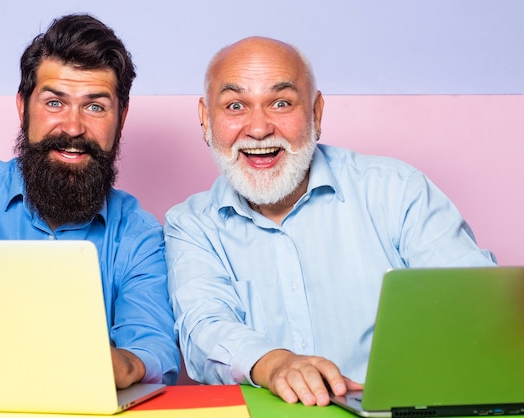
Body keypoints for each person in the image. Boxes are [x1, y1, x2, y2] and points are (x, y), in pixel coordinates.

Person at [164, 36, 496, 406]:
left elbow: (477, 308)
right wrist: (274, 364)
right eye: (236, 105)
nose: (258, 129)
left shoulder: (397, 191)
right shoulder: (189, 224)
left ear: (316, 113)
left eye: (281, 103)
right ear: (206, 120)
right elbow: (204, 326)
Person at [0, 14, 179, 387]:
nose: (73, 127)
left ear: (122, 117)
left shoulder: (139, 234)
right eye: (54, 103)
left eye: (95, 106)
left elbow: (153, 345)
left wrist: (125, 363)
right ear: (22, 107)